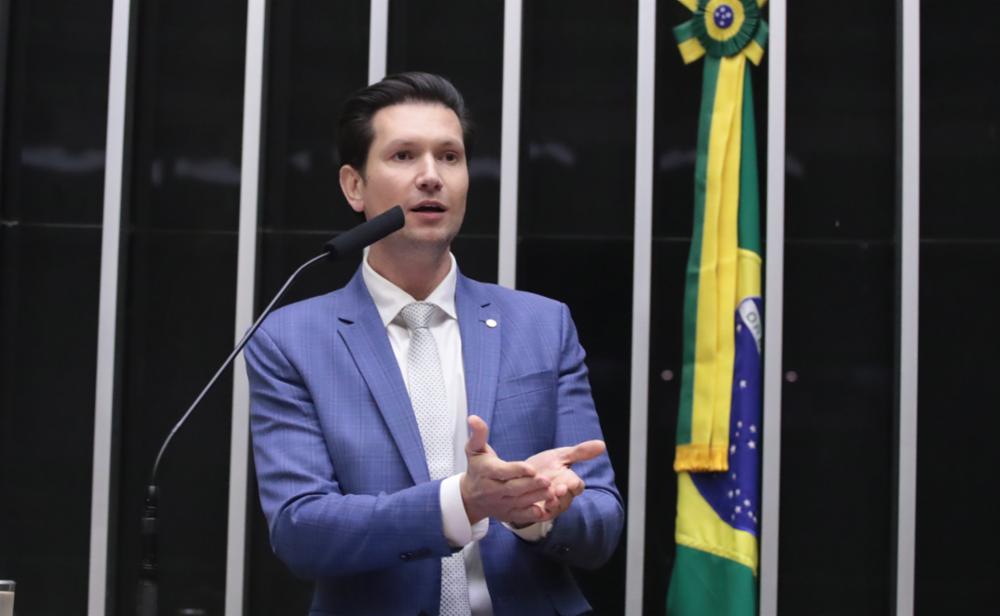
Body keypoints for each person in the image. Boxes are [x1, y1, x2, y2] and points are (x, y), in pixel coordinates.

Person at [246, 72, 623, 616]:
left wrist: (536, 513)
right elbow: (300, 529)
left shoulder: (543, 325)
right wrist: (461, 503)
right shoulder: (291, 340)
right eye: (403, 156)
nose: (431, 177)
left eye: (449, 157)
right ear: (354, 187)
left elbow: (603, 521)